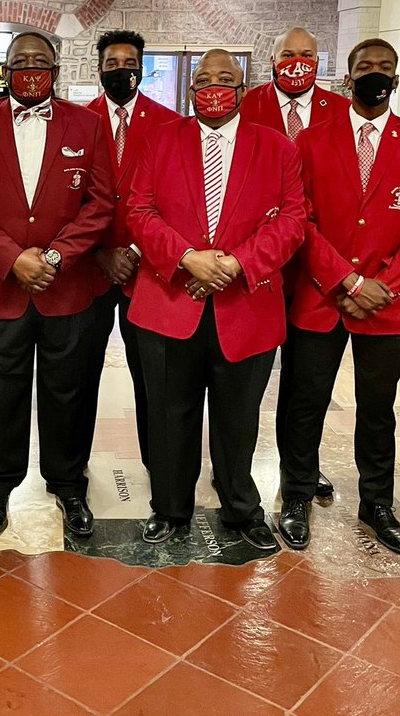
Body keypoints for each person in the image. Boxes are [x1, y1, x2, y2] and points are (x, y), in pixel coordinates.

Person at [128, 48, 305, 547]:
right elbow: (139, 211)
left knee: (238, 418)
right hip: (169, 302)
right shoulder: (160, 140)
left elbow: (293, 221)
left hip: (245, 305)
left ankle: (240, 508)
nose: (213, 88)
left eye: (225, 79)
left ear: (243, 89)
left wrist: (234, 264)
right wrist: (188, 257)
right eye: (203, 80)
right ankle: (170, 507)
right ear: (190, 90)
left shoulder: (277, 148)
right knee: (169, 414)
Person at [277, 39, 400, 555]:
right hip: (320, 296)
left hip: (388, 303)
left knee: (378, 408)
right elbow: (301, 221)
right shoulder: (311, 141)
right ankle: (296, 495)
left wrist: (383, 286)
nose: (376, 74)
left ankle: (376, 503)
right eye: (365, 67)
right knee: (305, 402)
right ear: (348, 79)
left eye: (385, 67)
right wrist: (348, 282)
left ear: (397, 79)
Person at [0, 32, 114, 538]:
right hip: (0, 290)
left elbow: (100, 203)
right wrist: (11, 258)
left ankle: (68, 484)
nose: (30, 69)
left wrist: (58, 256)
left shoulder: (88, 124)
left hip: (68, 290)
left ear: (56, 69)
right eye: (20, 61)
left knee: (69, 393)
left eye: (40, 61)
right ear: (5, 69)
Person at [242, 26, 346, 499]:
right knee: (246, 380)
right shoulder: (247, 106)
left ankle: (300, 465)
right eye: (288, 54)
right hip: (259, 264)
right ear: (272, 60)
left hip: (316, 268)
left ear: (319, 61)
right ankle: (235, 465)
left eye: (307, 54)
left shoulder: (341, 110)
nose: (297, 62)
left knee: (308, 381)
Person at [81, 30, 177, 469]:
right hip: (89, 268)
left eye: (130, 63)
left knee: (156, 379)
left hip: (148, 270)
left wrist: (136, 251)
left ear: (142, 68)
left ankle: (159, 467)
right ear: (99, 69)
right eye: (112, 63)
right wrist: (100, 251)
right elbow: (67, 199)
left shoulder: (169, 124)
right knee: (79, 377)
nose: (121, 70)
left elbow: (175, 199)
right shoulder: (79, 120)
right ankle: (73, 472)